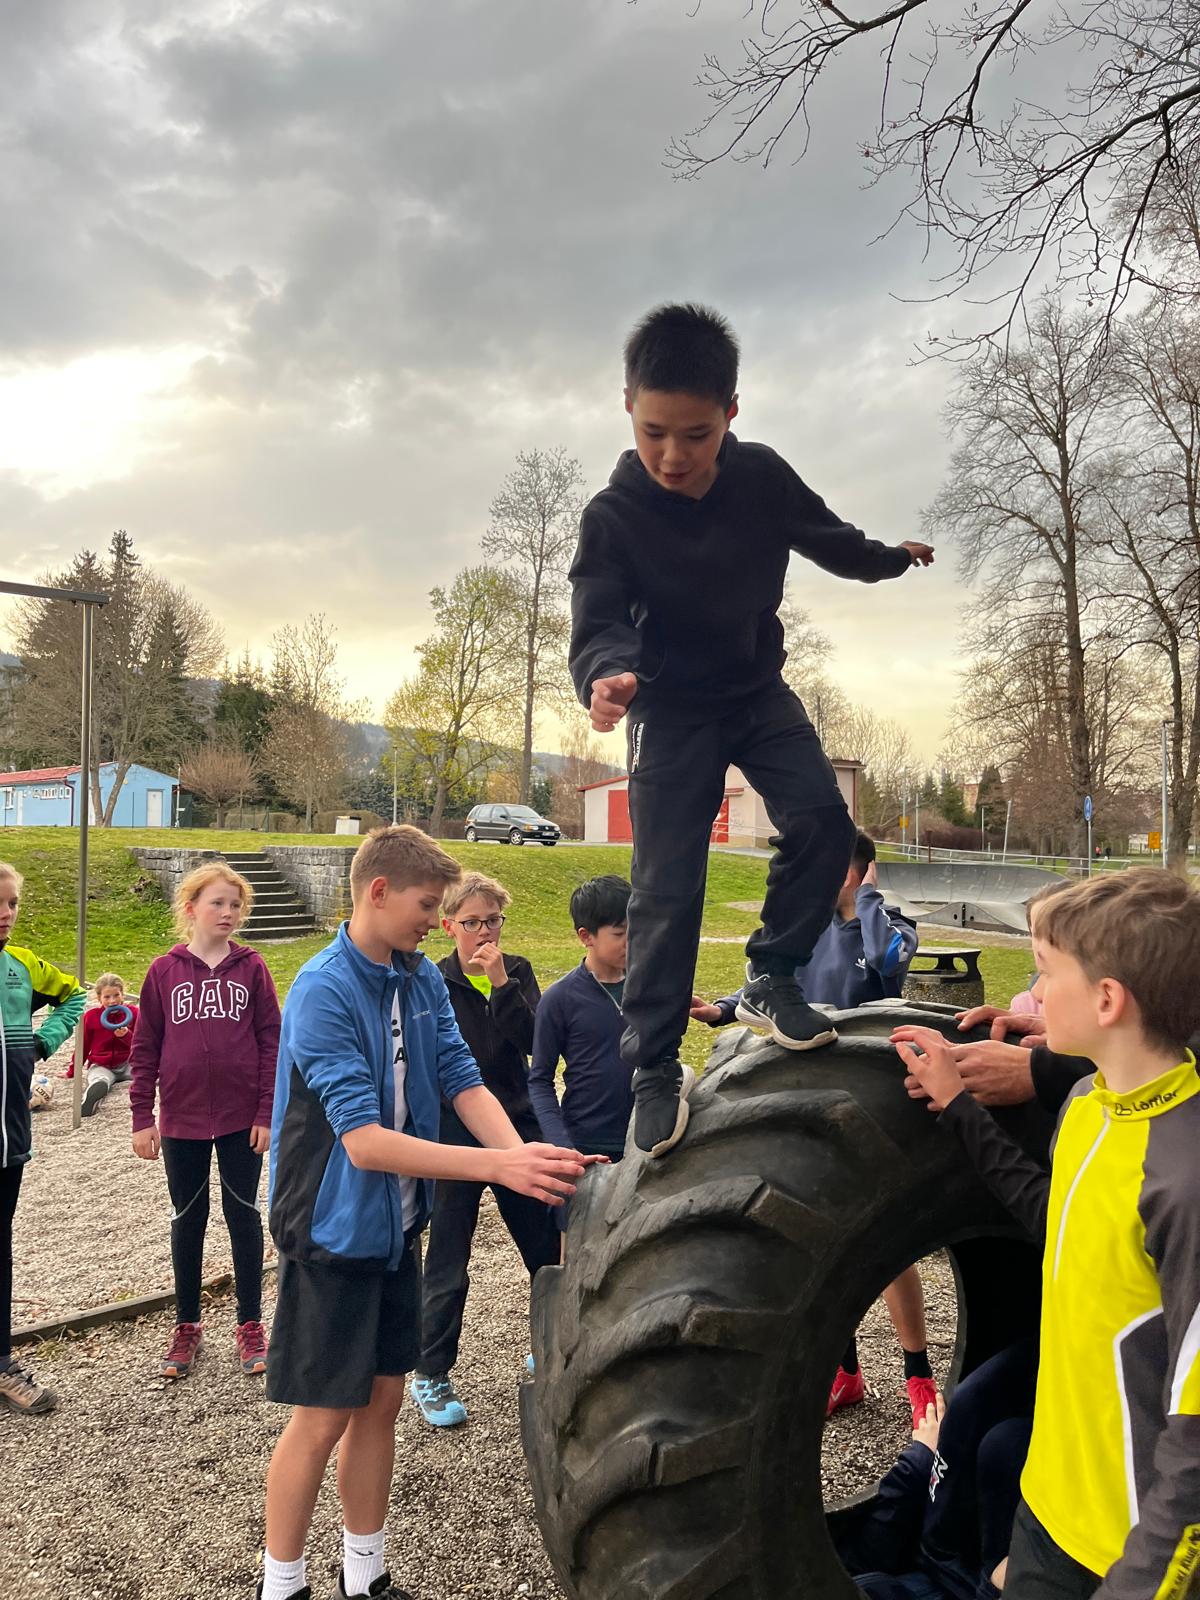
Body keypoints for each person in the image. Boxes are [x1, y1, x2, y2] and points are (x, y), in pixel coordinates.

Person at [569, 302, 933, 1157]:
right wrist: (606, 674)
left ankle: (771, 975)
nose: (672, 455)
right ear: (628, 407)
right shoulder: (614, 515)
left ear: (730, 414)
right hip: (669, 708)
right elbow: (598, 615)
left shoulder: (762, 477)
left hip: (754, 691)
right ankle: (654, 1068)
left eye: (695, 435)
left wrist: (889, 558)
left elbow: (829, 538)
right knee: (667, 885)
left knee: (824, 822)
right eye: (654, 432)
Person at [259, 826, 602, 1600]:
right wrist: (498, 1166)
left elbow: (460, 1078)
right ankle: (281, 1587)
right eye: (426, 905)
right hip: (331, 1231)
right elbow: (364, 1143)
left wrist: (528, 1158)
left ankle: (365, 1578)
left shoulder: (418, 979)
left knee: (383, 1401)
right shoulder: (322, 987)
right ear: (378, 892)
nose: (434, 921)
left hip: (395, 1228)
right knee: (323, 1417)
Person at [893, 870, 1200, 1599]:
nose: (1032, 992)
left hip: (1126, 1554)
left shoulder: (1187, 1180)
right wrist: (960, 1107)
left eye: (1044, 970)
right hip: (1045, 1509)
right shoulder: (1089, 1104)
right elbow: (1053, 1216)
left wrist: (1142, 1583)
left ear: (1107, 1000)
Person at [693, 831, 932, 1425]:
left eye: (826, 866)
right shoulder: (806, 930)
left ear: (853, 872)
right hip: (808, 1098)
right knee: (821, 1241)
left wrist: (869, 898)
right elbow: (769, 988)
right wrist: (722, 1008)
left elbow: (888, 961)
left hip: (871, 1100)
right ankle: (846, 1372)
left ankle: (919, 1376)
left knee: (888, 1248)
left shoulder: (889, 923)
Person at [411, 870, 559, 1430]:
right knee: (448, 1258)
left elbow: (536, 1044)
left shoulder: (516, 970)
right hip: (453, 1136)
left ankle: (551, 1345)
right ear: (449, 925)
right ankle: (431, 1371)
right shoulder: (431, 980)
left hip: (517, 1127)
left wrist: (501, 985)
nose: (484, 932)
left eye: (492, 921)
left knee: (544, 1248)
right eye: (472, 922)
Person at [130, 862, 281, 1383]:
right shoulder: (163, 972)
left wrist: (266, 1111)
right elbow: (145, 1047)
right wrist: (141, 1115)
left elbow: (271, 1041)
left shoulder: (252, 968)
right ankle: (187, 1324)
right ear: (191, 908)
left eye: (236, 905)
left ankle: (250, 1323)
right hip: (181, 1120)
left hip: (243, 1121)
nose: (228, 912)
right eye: (217, 902)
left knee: (243, 1216)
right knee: (187, 1218)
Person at [835, 1340, 1038, 1599]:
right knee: (1006, 1447)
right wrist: (993, 1590)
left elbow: (856, 1562)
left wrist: (919, 1462)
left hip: (930, 1554)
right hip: (981, 1588)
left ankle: (1062, 1337)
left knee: (968, 1404)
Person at [0, 861, 86, 1416]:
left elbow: (75, 996)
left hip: (9, 1140)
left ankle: (2, 1364)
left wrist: (42, 1043)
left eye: (12, 903)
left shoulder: (22, 966)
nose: (6, 913)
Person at [528, 875, 633, 1167]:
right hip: (588, 1145)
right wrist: (563, 1147)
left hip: (649, 1139)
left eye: (637, 929)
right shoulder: (559, 998)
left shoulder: (648, 988)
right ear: (586, 936)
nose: (632, 941)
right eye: (620, 933)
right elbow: (539, 1080)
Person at [79, 972, 138, 1116]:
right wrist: (72, 1070)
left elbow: (142, 1043)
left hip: (128, 1062)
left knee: (150, 1074)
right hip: (102, 1065)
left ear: (122, 994)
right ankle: (91, 1099)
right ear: (99, 997)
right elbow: (83, 1045)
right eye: (107, 997)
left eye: (116, 995)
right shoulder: (91, 1017)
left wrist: (126, 1036)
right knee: (99, 1079)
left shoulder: (134, 1013)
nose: (112, 1001)